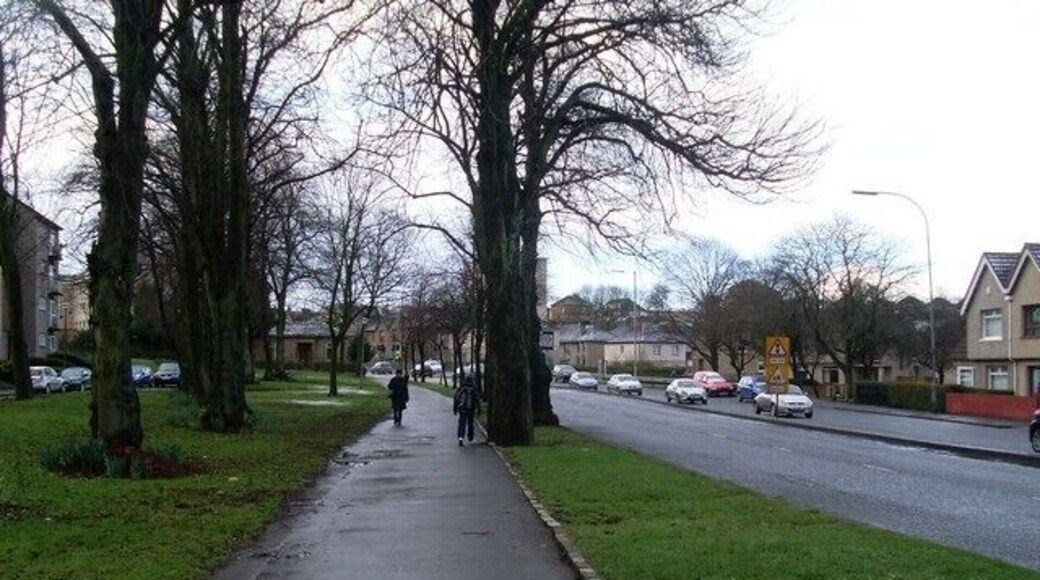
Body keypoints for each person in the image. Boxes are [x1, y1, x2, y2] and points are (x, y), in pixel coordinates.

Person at [453, 375, 479, 446]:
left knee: (461, 423)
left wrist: (455, 409)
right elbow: (476, 399)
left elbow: (456, 399)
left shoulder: (461, 388)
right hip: (471, 409)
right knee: (470, 423)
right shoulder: (473, 389)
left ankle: (460, 437)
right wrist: (477, 409)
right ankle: (470, 436)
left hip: (462, 409)